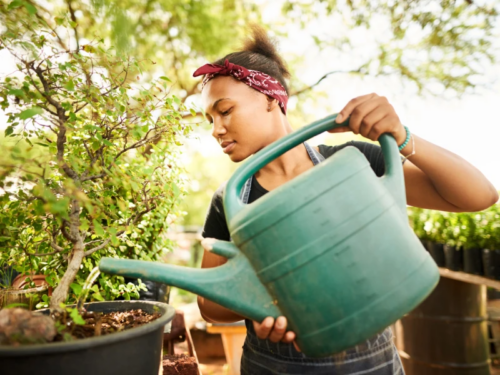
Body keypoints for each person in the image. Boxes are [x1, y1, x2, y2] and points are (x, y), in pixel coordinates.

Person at [194, 26, 498, 374]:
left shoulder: (353, 163)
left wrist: (402, 136)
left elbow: (479, 195)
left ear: (271, 100)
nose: (216, 129)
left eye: (225, 110)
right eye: (211, 119)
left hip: (370, 364)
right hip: (272, 365)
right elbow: (209, 306)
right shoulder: (229, 202)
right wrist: (260, 302)